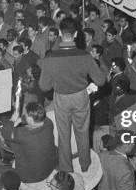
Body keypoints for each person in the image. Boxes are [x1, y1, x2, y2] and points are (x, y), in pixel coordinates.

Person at [39, 18, 106, 172]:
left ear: (60, 34)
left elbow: (44, 86)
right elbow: (101, 81)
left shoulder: (51, 57)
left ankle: (66, 167)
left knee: (64, 134)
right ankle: (85, 164)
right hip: (81, 97)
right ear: (76, 34)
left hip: (61, 98)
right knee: (82, 131)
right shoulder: (85, 55)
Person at [0, 102, 57, 183]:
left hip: (30, 175)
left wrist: (12, 120)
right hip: (49, 166)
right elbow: (31, 119)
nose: (24, 115)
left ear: (30, 119)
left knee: (8, 140)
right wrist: (21, 119)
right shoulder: (48, 122)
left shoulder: (22, 134)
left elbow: (6, 131)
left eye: (25, 115)